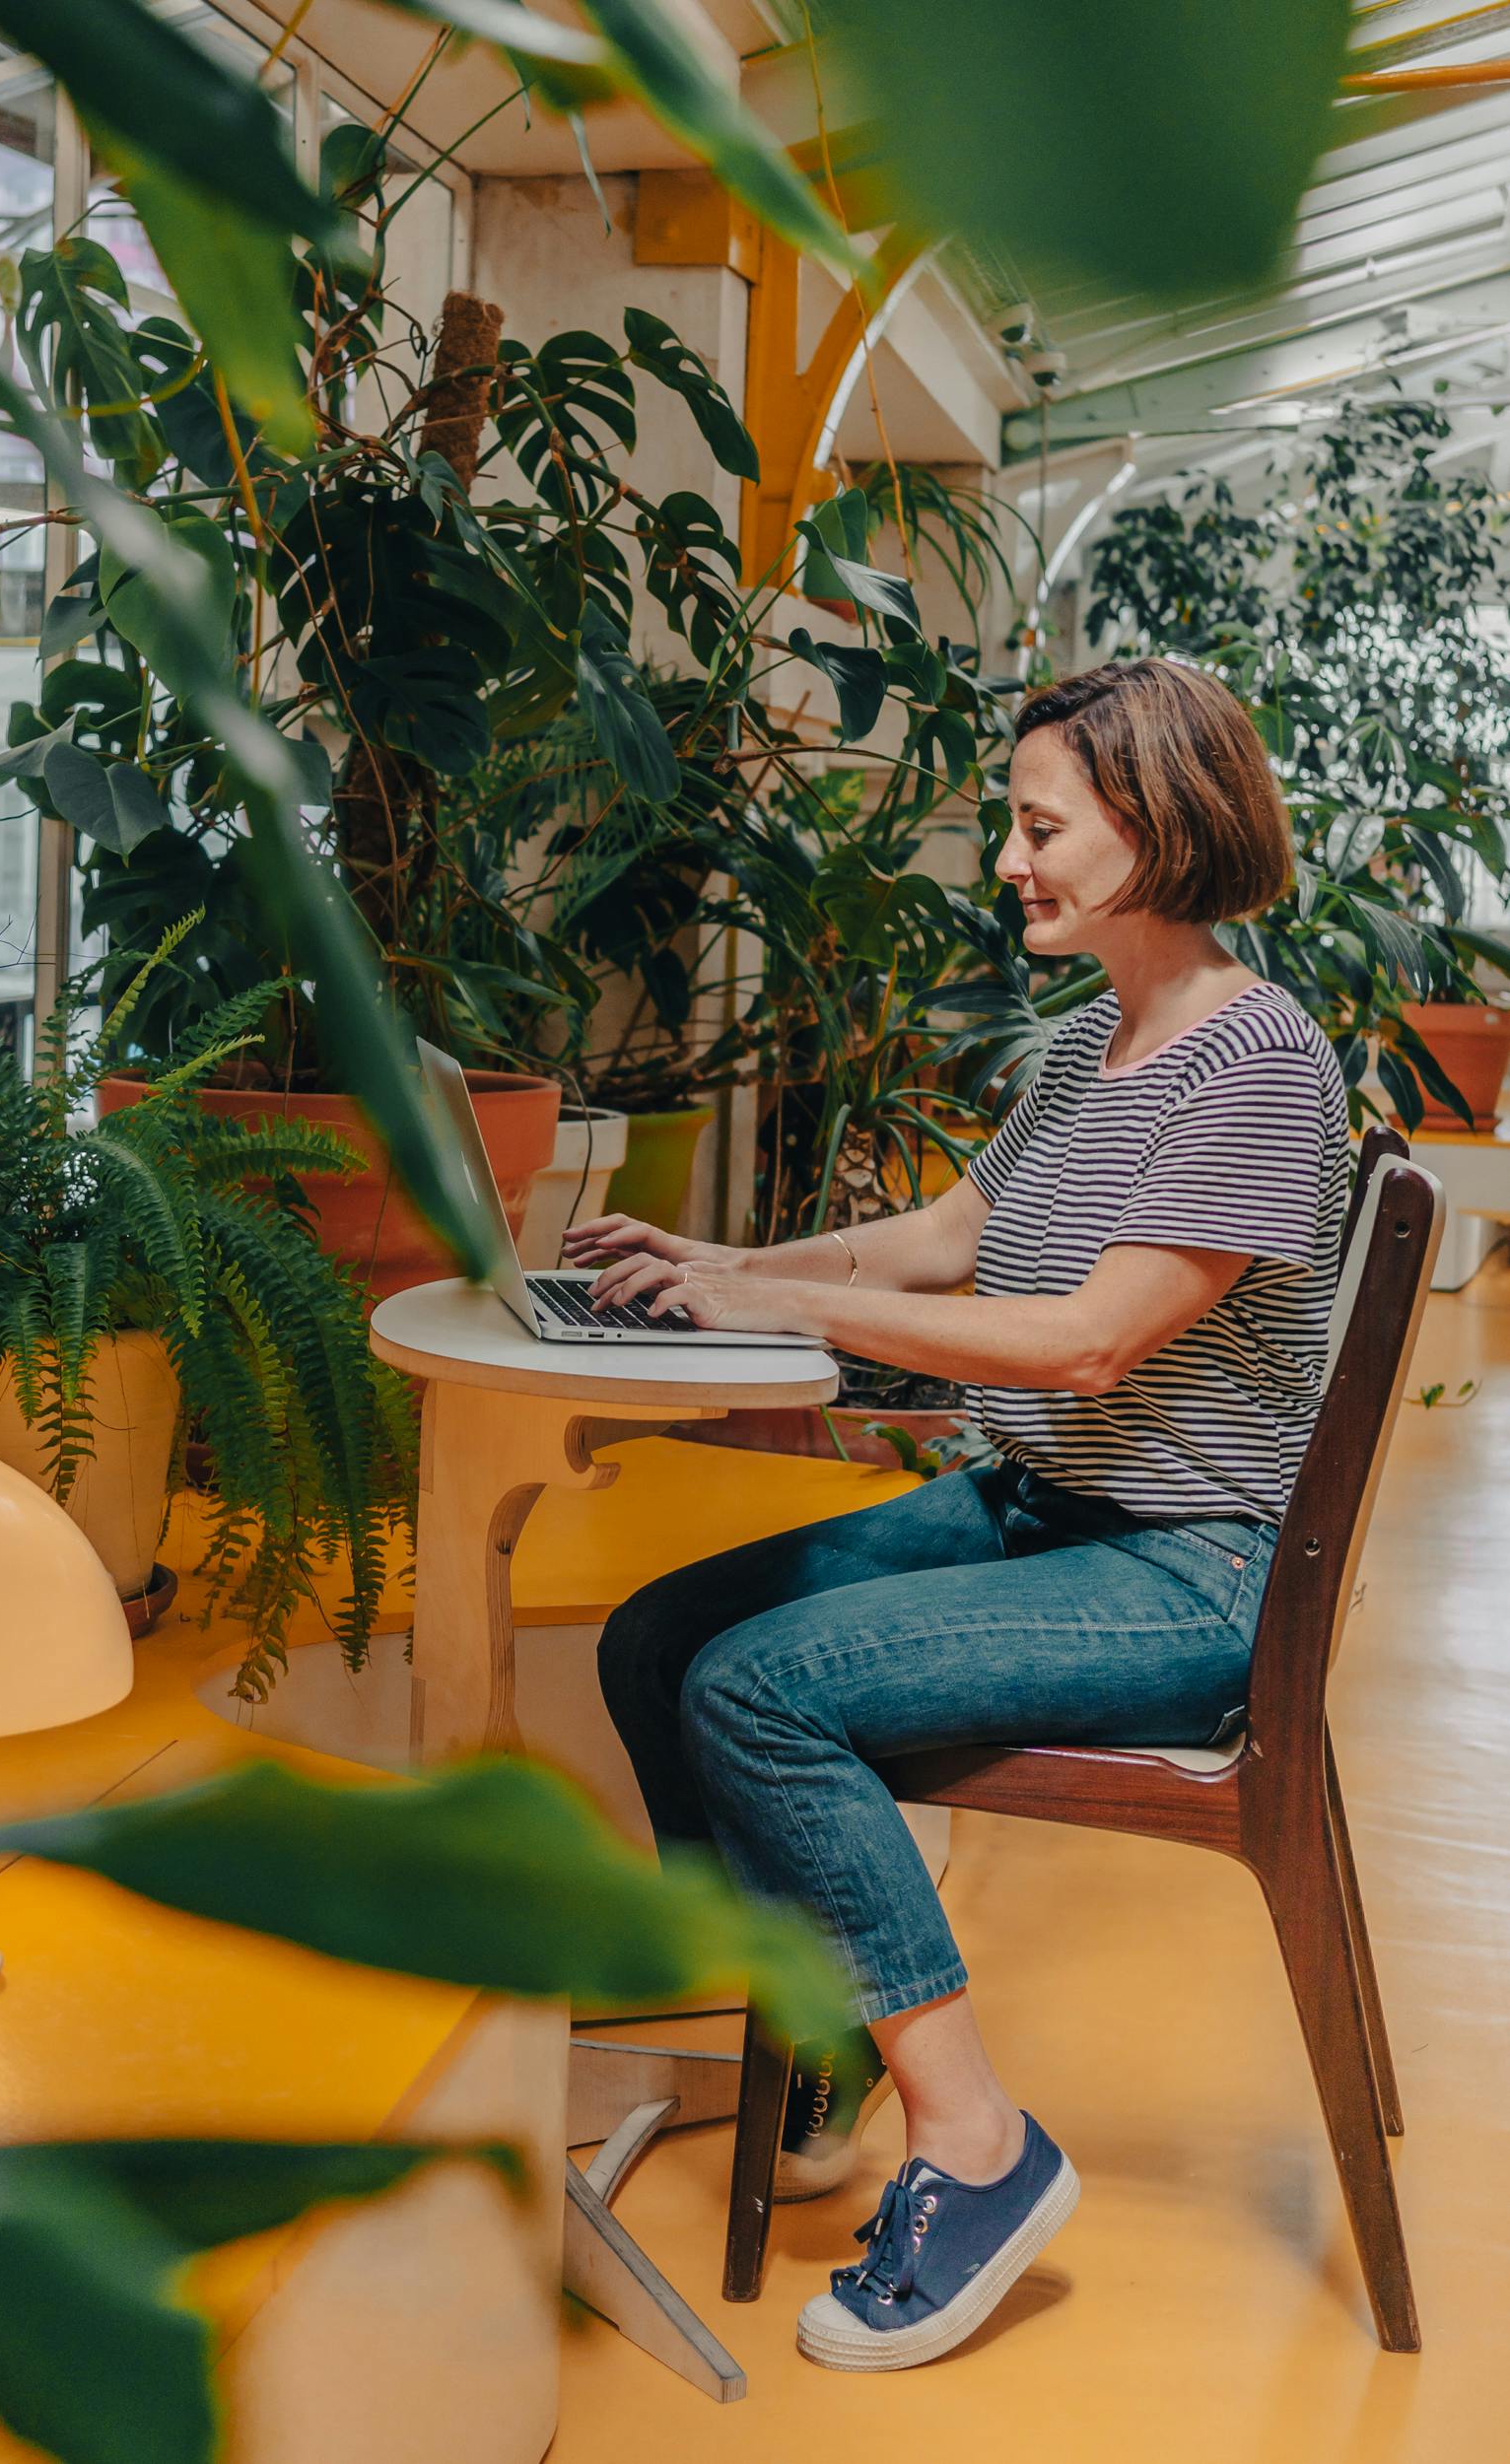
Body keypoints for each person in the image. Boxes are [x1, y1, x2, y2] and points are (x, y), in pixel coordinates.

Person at [563, 656, 1347, 2372]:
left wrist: (800, 1316)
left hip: (1184, 1568)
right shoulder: (1094, 1046)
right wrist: (720, 1268)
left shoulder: (1258, 1065)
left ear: (1157, 825)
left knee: (755, 1694)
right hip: (1041, 1512)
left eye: (1039, 824)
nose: (1010, 858)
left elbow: (1086, 1343)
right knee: (661, 1638)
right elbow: (939, 1244)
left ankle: (981, 2145)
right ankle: (815, 2012)